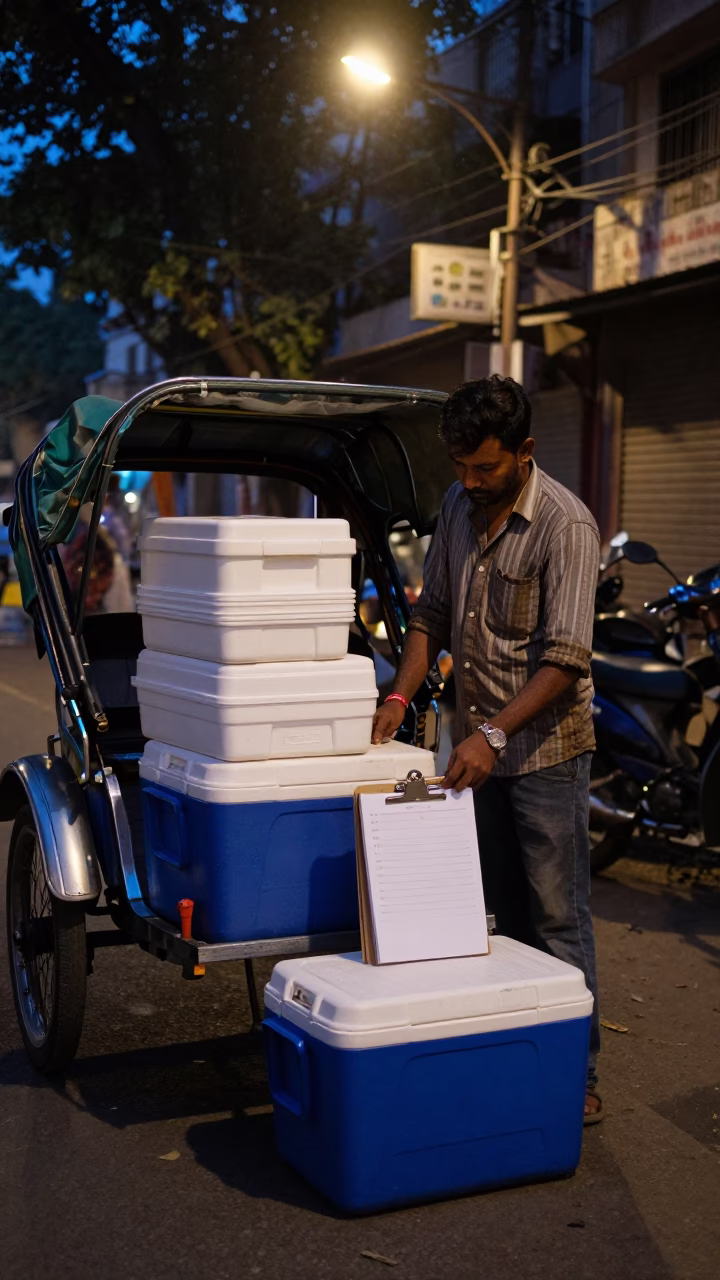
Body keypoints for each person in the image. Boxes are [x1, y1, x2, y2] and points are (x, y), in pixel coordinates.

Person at [372, 375, 603, 1124]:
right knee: (496, 913)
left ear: (524, 451)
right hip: (477, 752)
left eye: (486, 467)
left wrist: (494, 733)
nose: (470, 481)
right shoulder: (455, 505)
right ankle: (514, 1052)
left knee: (556, 917)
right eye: (460, 466)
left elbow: (565, 660)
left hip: (543, 754)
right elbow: (431, 614)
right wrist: (399, 698)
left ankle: (574, 1072)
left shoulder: (566, 526)